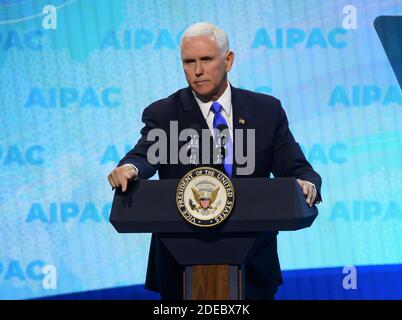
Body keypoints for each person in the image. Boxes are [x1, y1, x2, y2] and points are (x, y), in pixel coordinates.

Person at [107, 22, 322, 300]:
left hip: (254, 260)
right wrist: (130, 168)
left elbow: (297, 167)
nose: (197, 71)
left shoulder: (266, 110)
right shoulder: (164, 113)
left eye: (206, 59)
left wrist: (307, 183)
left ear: (228, 60)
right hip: (181, 261)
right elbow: (146, 152)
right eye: (189, 62)